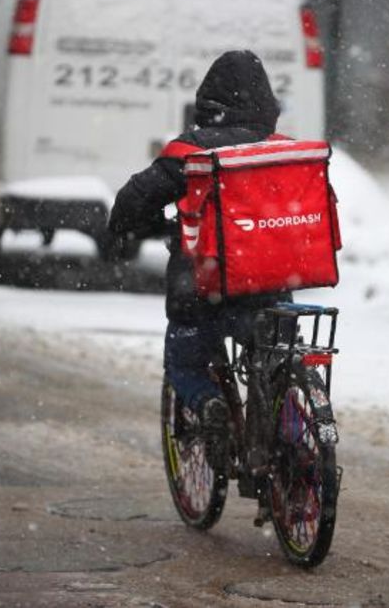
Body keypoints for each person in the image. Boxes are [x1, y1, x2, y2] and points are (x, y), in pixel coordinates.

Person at [108, 50, 290, 469]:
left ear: (208, 103)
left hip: (207, 295)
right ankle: (292, 445)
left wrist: (124, 229)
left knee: (185, 356)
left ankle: (208, 404)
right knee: (274, 361)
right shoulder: (281, 152)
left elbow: (133, 202)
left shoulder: (192, 152)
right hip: (273, 290)